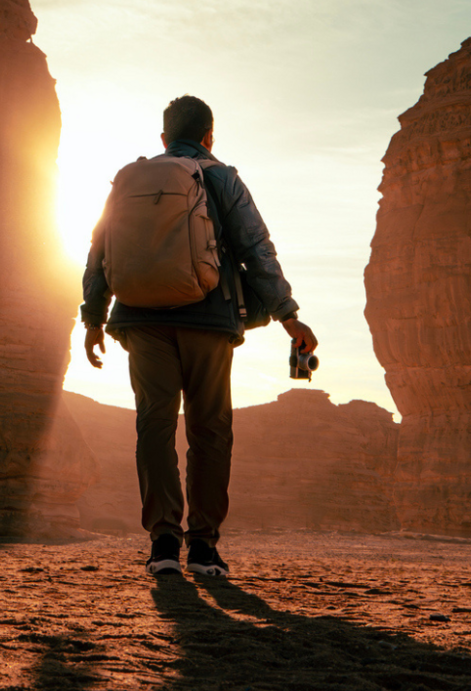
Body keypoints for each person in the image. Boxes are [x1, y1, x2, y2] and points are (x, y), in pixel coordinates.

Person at [81, 95, 318, 578]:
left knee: (154, 425)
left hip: (141, 320)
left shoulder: (130, 181)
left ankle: (163, 541)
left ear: (164, 138)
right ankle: (204, 547)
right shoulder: (222, 177)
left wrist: (92, 318)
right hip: (209, 320)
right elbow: (256, 248)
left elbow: (99, 250)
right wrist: (288, 315)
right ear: (210, 135)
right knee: (209, 430)